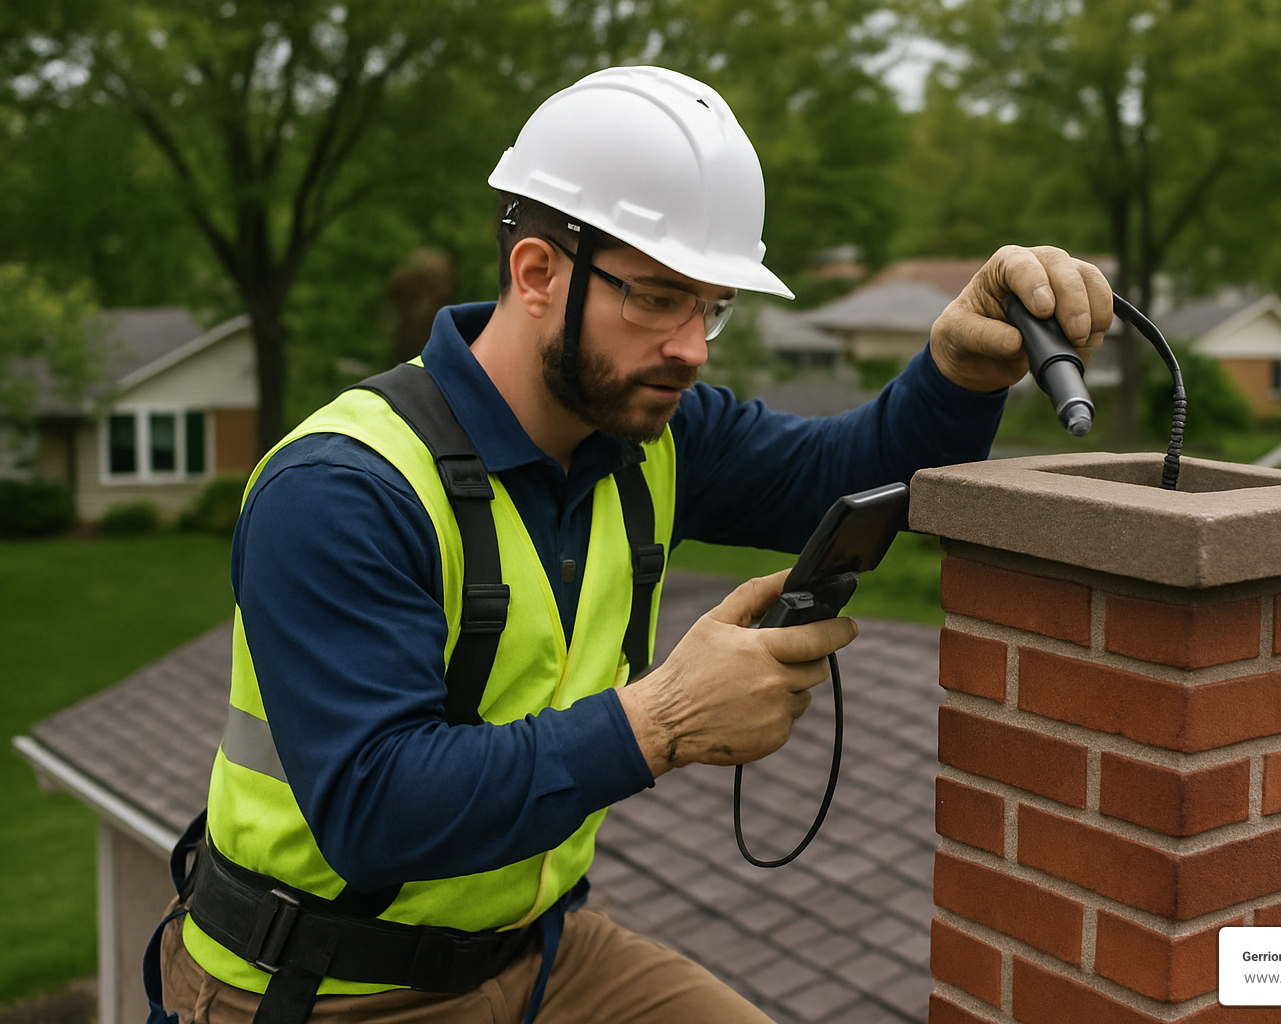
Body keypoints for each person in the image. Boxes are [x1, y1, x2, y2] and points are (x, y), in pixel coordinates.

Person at [152, 65, 1111, 1024]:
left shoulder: (647, 435)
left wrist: (958, 371)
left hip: (538, 954)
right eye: (657, 299)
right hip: (319, 982)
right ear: (536, 274)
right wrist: (663, 721)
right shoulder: (344, 489)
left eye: (712, 306)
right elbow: (375, 813)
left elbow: (848, 474)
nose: (694, 348)